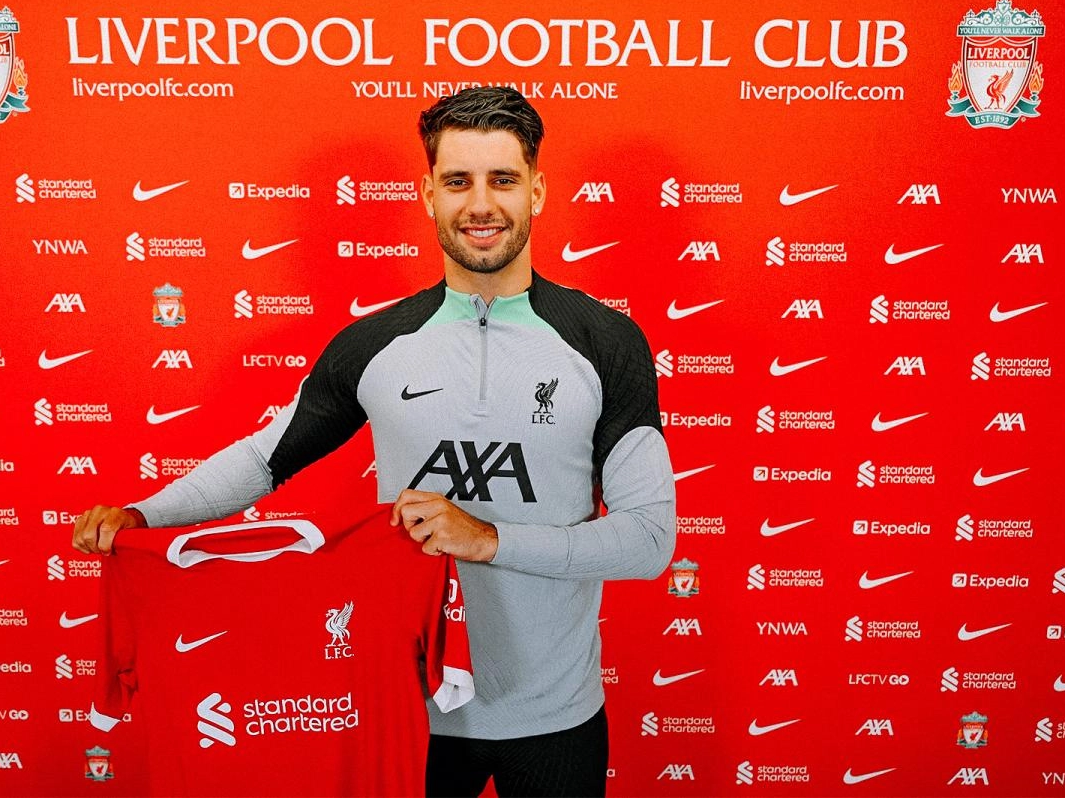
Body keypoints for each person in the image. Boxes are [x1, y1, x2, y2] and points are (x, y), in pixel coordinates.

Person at [73, 86, 676, 797]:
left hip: (557, 718)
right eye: (458, 181)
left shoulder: (604, 342)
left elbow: (648, 540)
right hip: (403, 713)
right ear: (427, 195)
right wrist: (147, 514)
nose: (480, 205)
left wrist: (488, 539)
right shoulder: (376, 343)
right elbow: (266, 457)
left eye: (502, 179)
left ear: (537, 190)